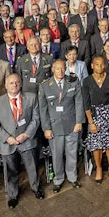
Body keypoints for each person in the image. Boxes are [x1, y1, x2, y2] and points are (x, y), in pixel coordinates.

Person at [0, 73, 43, 208]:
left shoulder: (31, 98)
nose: (14, 85)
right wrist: (8, 138)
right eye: (11, 83)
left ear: (21, 84)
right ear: (6, 86)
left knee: (32, 168)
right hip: (8, 143)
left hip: (26, 140)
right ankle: (13, 195)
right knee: (11, 171)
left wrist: (26, 135)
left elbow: (36, 119)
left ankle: (36, 188)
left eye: (17, 82)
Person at [38, 59, 84, 191]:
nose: (60, 71)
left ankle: (72, 177)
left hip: (71, 125)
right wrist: (46, 128)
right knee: (56, 154)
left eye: (63, 68)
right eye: (57, 69)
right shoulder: (45, 85)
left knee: (72, 153)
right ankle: (58, 179)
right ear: (52, 69)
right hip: (54, 126)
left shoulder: (73, 81)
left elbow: (79, 103)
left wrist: (79, 122)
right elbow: (43, 109)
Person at [84, 55, 109, 183]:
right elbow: (86, 103)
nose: (100, 67)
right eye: (97, 64)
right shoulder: (87, 81)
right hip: (94, 115)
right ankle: (98, 168)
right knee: (96, 145)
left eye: (102, 64)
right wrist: (91, 122)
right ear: (92, 66)